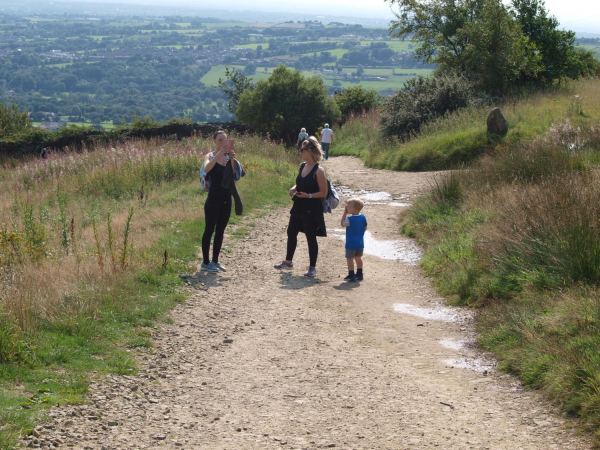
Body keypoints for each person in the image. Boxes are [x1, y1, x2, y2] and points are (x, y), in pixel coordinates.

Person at [274, 136, 328, 277]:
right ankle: (288, 261)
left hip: (312, 208)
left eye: (303, 150)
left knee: (311, 237)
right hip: (298, 205)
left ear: (310, 151)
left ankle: (312, 267)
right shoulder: (302, 166)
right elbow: (300, 183)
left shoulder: (319, 170)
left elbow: (324, 192)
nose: (301, 152)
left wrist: (308, 196)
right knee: (291, 232)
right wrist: (293, 188)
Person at [201, 130, 244, 273]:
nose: (223, 142)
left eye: (225, 140)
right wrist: (219, 154)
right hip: (213, 198)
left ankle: (215, 261)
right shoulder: (210, 156)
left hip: (226, 198)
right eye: (220, 140)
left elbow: (233, 176)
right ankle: (205, 262)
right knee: (209, 229)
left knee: (220, 230)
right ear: (214, 141)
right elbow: (207, 168)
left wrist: (231, 159)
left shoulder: (228, 158)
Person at [341, 198, 367, 282]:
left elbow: (342, 224)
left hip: (351, 243)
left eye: (348, 207)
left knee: (350, 258)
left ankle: (351, 274)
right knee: (358, 258)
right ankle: (360, 273)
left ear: (354, 209)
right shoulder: (363, 216)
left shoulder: (350, 219)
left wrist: (345, 213)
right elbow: (365, 227)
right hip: (360, 242)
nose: (347, 208)